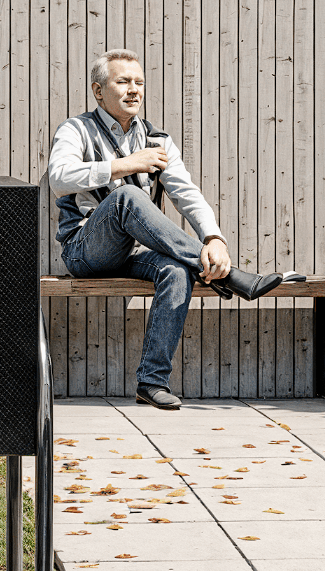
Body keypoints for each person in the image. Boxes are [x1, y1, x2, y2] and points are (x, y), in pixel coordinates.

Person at [47, 49, 282, 411]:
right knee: (126, 196)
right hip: (84, 251)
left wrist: (214, 238)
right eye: (123, 82)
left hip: (134, 254)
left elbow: (186, 193)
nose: (133, 90)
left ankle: (152, 383)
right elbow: (59, 178)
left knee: (176, 271)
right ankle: (230, 277)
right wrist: (124, 165)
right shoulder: (75, 129)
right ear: (98, 91)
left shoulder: (157, 139)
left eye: (139, 82)